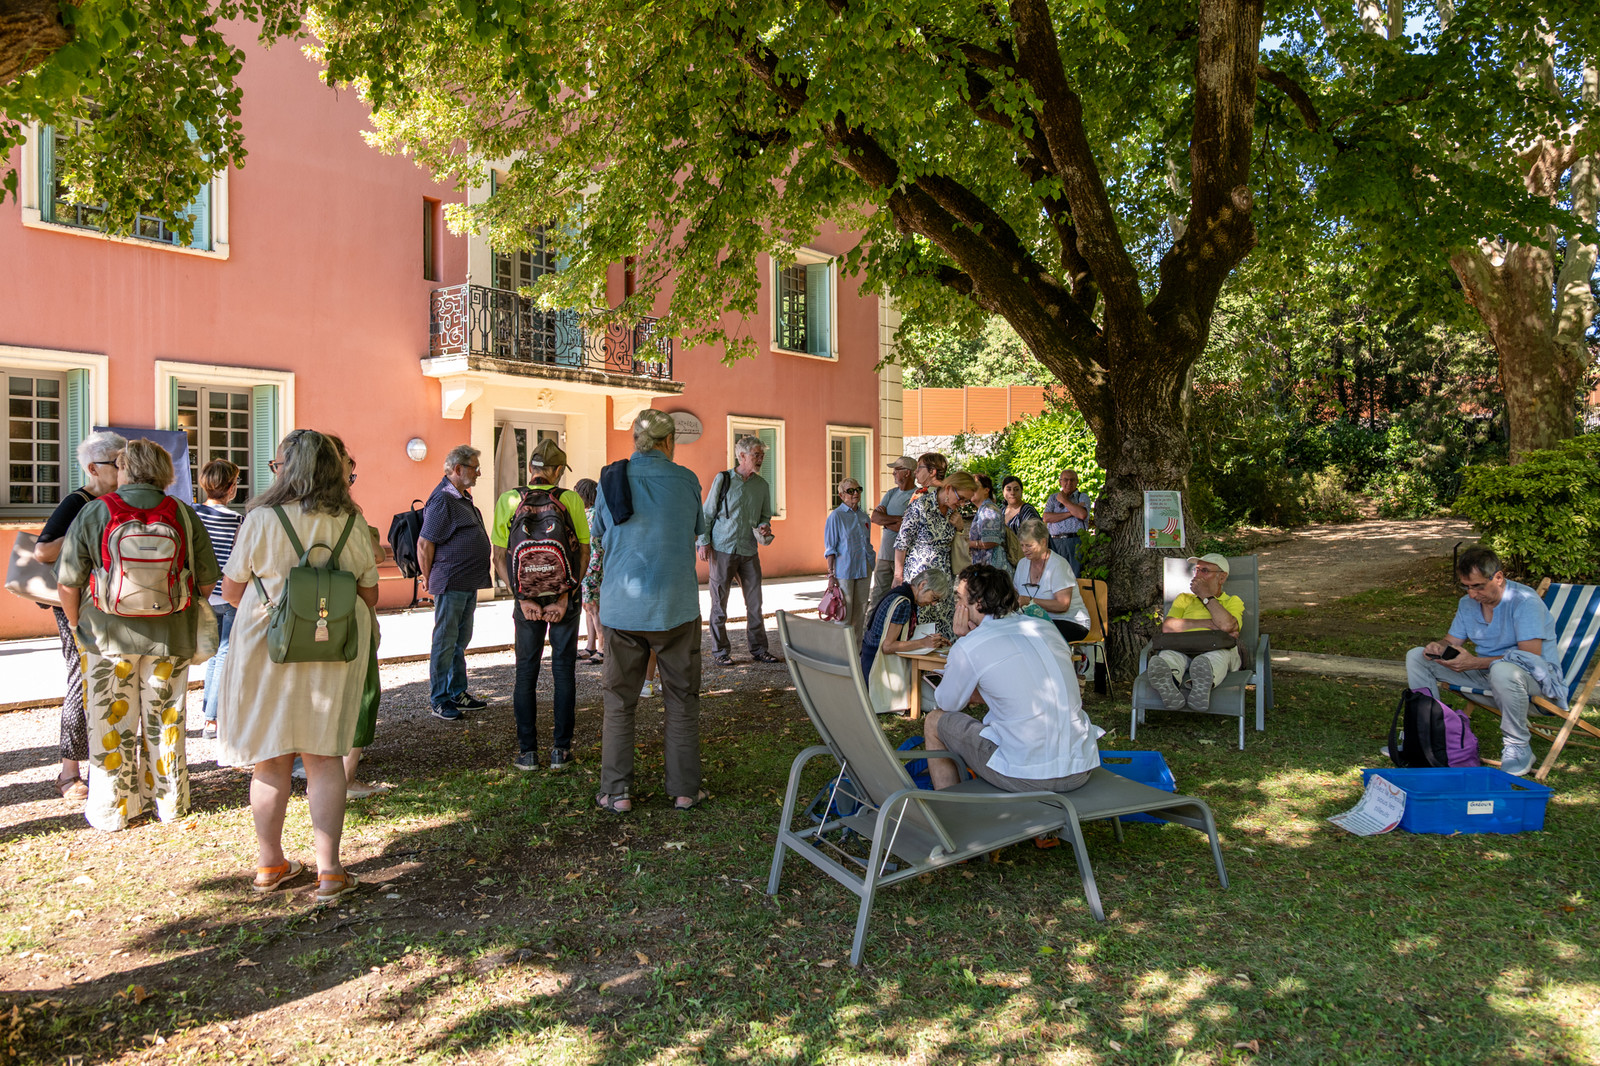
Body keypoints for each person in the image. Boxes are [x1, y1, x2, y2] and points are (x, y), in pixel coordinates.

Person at [217, 429, 379, 902]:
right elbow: (368, 595)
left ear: (290, 469)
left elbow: (230, 591)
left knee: (270, 760)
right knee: (325, 757)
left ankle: (270, 865)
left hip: (270, 645)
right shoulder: (352, 519)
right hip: (333, 648)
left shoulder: (261, 517)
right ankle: (330, 872)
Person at [55, 439, 220, 832]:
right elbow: (208, 577)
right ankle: (170, 802)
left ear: (124, 467)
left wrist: (80, 624)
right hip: (170, 635)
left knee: (110, 724)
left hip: (106, 636)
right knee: (167, 720)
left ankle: (113, 809)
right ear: (165, 471)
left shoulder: (96, 511)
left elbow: (67, 580)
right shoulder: (182, 512)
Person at [591, 409, 708, 813]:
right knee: (681, 698)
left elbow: (599, 536)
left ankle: (617, 791)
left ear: (636, 442)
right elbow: (696, 529)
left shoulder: (611, 479)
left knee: (619, 701)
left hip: (623, 610)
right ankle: (684, 790)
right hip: (676, 606)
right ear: (669, 441)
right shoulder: (688, 481)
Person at [922, 565, 1103, 793]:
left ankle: (953, 811)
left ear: (977, 603)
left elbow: (948, 703)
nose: (956, 606)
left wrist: (964, 640)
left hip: (1026, 774)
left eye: (959, 598)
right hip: (1080, 766)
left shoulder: (971, 645)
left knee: (934, 721)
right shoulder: (1046, 628)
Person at [1404, 546, 1558, 777]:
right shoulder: (1467, 604)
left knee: (1504, 670)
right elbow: (1450, 640)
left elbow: (1530, 657)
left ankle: (1518, 746)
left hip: (1535, 688)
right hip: (1487, 680)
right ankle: (1425, 735)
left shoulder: (1525, 601)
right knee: (1416, 655)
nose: (1472, 594)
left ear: (1498, 577)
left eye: (1478, 586)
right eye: (1466, 586)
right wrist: (1439, 647)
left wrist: (1474, 663)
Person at [34, 429, 125, 803]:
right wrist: (84, 528)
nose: (123, 470)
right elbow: (43, 551)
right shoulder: (78, 501)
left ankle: (102, 766)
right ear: (93, 468)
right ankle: (69, 770)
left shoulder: (120, 499)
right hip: (75, 602)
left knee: (111, 681)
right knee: (81, 679)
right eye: (117, 464)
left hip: (107, 602)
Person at [491, 438, 591, 772]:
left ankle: (527, 753)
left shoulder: (509, 499)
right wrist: (566, 594)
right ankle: (560, 752)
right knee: (563, 672)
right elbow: (584, 552)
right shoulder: (570, 499)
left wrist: (523, 597)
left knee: (526, 672)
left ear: (531, 468)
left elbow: (499, 557)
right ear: (559, 470)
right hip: (564, 599)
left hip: (527, 601)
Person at [325, 435, 388, 800]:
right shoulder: (348, 515)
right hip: (349, 616)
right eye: (350, 469)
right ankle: (345, 777)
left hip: (300, 618)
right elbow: (371, 576)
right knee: (362, 692)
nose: (352, 475)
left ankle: (322, 765)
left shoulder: (272, 513)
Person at [418, 445, 492, 720]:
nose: (479, 473)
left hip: (466, 581)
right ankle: (439, 699)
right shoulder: (443, 499)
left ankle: (457, 692)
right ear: (458, 469)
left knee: (460, 640)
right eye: (474, 467)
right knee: (445, 641)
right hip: (450, 582)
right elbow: (425, 543)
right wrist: (427, 578)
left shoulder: (461, 497)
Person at [699, 434, 778, 666]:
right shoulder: (723, 479)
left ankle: (759, 649)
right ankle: (720, 652)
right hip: (722, 547)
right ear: (741, 456)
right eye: (756, 454)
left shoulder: (762, 486)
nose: (761, 458)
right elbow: (707, 513)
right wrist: (703, 541)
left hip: (748, 549)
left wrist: (765, 527)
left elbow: (765, 516)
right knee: (719, 604)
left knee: (755, 603)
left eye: (762, 455)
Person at [1140, 553, 1244, 713]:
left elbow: (1227, 625)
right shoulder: (1184, 599)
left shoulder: (1232, 601)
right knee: (1168, 656)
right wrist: (1210, 624)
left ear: (1222, 578)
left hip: (1218, 648)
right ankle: (1170, 685)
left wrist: (1205, 596)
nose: (1197, 575)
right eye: (1196, 570)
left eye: (1205, 571)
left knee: (1213, 658)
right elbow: (1168, 627)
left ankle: (1200, 685)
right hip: (1182, 646)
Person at [894, 470, 976, 640]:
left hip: (944, 581)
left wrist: (960, 528)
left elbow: (959, 547)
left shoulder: (953, 515)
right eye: (960, 498)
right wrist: (897, 575)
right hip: (920, 580)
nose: (961, 504)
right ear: (948, 488)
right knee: (920, 630)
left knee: (944, 631)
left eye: (966, 501)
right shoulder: (921, 506)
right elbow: (902, 543)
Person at [195, 460, 243, 742]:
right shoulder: (237, 520)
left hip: (201, 593)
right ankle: (213, 718)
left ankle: (209, 712)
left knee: (214, 653)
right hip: (226, 592)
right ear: (232, 487)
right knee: (224, 653)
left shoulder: (193, 514)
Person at [858, 569, 951, 715]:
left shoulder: (901, 593)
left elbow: (901, 635)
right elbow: (888, 646)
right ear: (923, 585)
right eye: (934, 597)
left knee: (940, 699)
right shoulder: (904, 604)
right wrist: (923, 643)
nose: (933, 604)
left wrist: (931, 640)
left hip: (869, 663)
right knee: (940, 703)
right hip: (877, 672)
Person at [1012, 518, 1091, 644]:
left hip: (1070, 622)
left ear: (1043, 542)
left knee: (1032, 635)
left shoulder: (1059, 565)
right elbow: (1016, 594)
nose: (1024, 550)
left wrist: (1030, 601)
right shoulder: (1022, 564)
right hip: (1037, 621)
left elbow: (1062, 605)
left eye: (1029, 545)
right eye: (1022, 545)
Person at [865, 456, 917, 620]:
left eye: (897, 469)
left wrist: (886, 519)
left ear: (907, 473)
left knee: (901, 598)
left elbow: (908, 527)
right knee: (877, 597)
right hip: (884, 555)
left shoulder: (917, 496)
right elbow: (875, 517)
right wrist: (896, 520)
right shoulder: (891, 493)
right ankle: (871, 632)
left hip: (903, 559)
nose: (893, 473)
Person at [823, 477, 874, 635]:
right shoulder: (836, 517)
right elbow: (830, 548)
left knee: (860, 615)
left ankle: (857, 654)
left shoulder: (864, 516)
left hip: (864, 569)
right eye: (850, 491)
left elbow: (866, 542)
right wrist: (831, 575)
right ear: (841, 495)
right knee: (843, 615)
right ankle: (841, 655)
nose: (855, 494)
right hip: (845, 571)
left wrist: (872, 563)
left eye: (858, 489)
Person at [573, 478, 605, 665]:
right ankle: (590, 645)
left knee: (594, 608)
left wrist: (590, 568)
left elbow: (594, 544)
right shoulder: (589, 513)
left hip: (593, 569)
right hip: (589, 568)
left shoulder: (592, 515)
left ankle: (602, 647)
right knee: (588, 607)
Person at [1042, 468, 1092, 575]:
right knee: (1055, 576)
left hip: (1076, 542)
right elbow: (1046, 518)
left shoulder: (1082, 497)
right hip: (1055, 543)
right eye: (1065, 480)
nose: (1069, 483)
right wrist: (1072, 512)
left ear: (1077, 481)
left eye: (1072, 480)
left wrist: (1064, 501)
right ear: (1060, 482)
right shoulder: (1053, 498)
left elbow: (1082, 515)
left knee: (1075, 576)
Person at [967, 473, 1010, 577]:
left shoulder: (989, 510)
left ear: (987, 490)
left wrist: (968, 544)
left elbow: (991, 541)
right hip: (987, 568)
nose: (971, 490)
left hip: (993, 570)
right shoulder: (984, 509)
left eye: (975, 486)